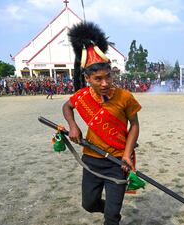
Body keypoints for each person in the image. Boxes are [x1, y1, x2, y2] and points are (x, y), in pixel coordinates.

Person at [62, 22, 141, 225]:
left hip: (118, 162)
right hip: (92, 159)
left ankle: (112, 216)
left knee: (111, 218)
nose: (105, 83)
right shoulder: (82, 96)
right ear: (87, 78)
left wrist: (126, 153)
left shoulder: (125, 97)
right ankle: (111, 212)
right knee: (88, 204)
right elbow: (66, 107)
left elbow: (135, 125)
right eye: (98, 79)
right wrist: (73, 125)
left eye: (108, 77)